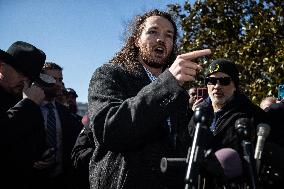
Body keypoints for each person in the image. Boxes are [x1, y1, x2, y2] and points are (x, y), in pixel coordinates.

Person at [88, 9, 211, 189]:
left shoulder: (178, 93)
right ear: (136, 40)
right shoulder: (110, 75)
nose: (161, 39)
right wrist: (168, 81)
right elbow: (110, 130)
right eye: (153, 32)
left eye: (169, 35)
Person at [187, 58, 267, 188]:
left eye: (224, 81)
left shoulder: (252, 115)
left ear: (235, 85)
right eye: (211, 81)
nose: (217, 86)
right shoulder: (198, 115)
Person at [0, 41, 47, 188]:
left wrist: (44, 158)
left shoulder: (26, 100)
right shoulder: (28, 104)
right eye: (21, 73)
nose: (25, 81)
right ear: (1, 67)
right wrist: (28, 106)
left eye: (30, 77)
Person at [33, 62, 83, 189]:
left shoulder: (66, 114)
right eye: (53, 79)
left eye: (60, 79)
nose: (58, 83)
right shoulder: (28, 110)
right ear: (39, 80)